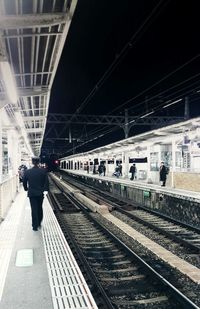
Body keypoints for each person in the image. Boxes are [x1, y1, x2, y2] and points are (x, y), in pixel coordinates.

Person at [23, 157, 49, 231]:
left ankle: (34, 226)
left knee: (33, 208)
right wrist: (45, 190)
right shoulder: (43, 171)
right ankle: (39, 223)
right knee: (39, 207)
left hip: (32, 193)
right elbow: (46, 182)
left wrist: (26, 189)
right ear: (39, 162)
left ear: (32, 162)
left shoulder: (27, 172)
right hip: (40, 193)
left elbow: (24, 182)